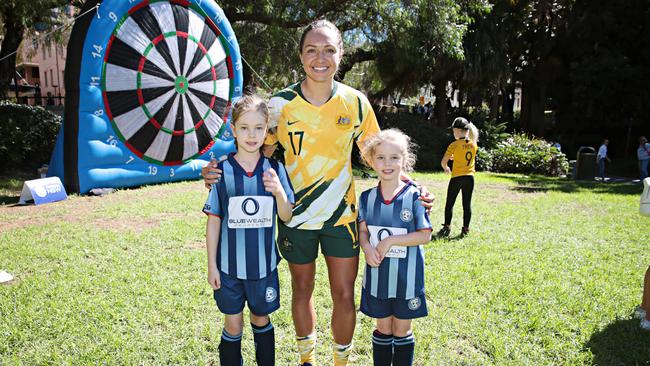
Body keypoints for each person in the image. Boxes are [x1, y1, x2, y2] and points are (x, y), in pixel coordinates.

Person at [203, 19, 434, 365]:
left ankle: (340, 361)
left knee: (343, 294)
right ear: (301, 56)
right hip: (295, 215)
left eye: (329, 49)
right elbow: (256, 153)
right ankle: (306, 360)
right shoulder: (280, 105)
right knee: (302, 289)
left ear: (341, 54)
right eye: (312, 50)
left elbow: (382, 156)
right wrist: (216, 169)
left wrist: (413, 188)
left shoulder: (355, 103)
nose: (320, 57)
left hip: (343, 218)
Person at [203, 94, 295, 365]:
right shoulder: (221, 170)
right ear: (233, 130)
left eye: (258, 128)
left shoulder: (275, 169)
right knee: (233, 326)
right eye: (244, 127)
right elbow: (214, 219)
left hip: (263, 268)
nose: (251, 134)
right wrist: (212, 266)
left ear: (267, 131)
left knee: (261, 319)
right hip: (229, 269)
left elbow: (287, 215)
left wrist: (279, 193)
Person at [358, 129, 433, 366]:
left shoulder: (415, 196)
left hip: (407, 279)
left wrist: (390, 241)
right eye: (380, 157)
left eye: (394, 157)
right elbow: (363, 231)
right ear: (371, 160)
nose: (387, 163)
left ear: (404, 159)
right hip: (378, 276)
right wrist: (367, 249)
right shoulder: (366, 198)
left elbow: (425, 236)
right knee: (382, 327)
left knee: (401, 329)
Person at [438, 117, 479, 237]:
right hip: (469, 178)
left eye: (454, 130)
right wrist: (455, 157)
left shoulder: (454, 145)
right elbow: (465, 156)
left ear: (458, 130)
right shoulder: (473, 144)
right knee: (467, 205)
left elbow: (443, 162)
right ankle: (465, 229)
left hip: (457, 177)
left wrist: (446, 168)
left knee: (449, 204)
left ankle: (447, 228)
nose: (453, 133)